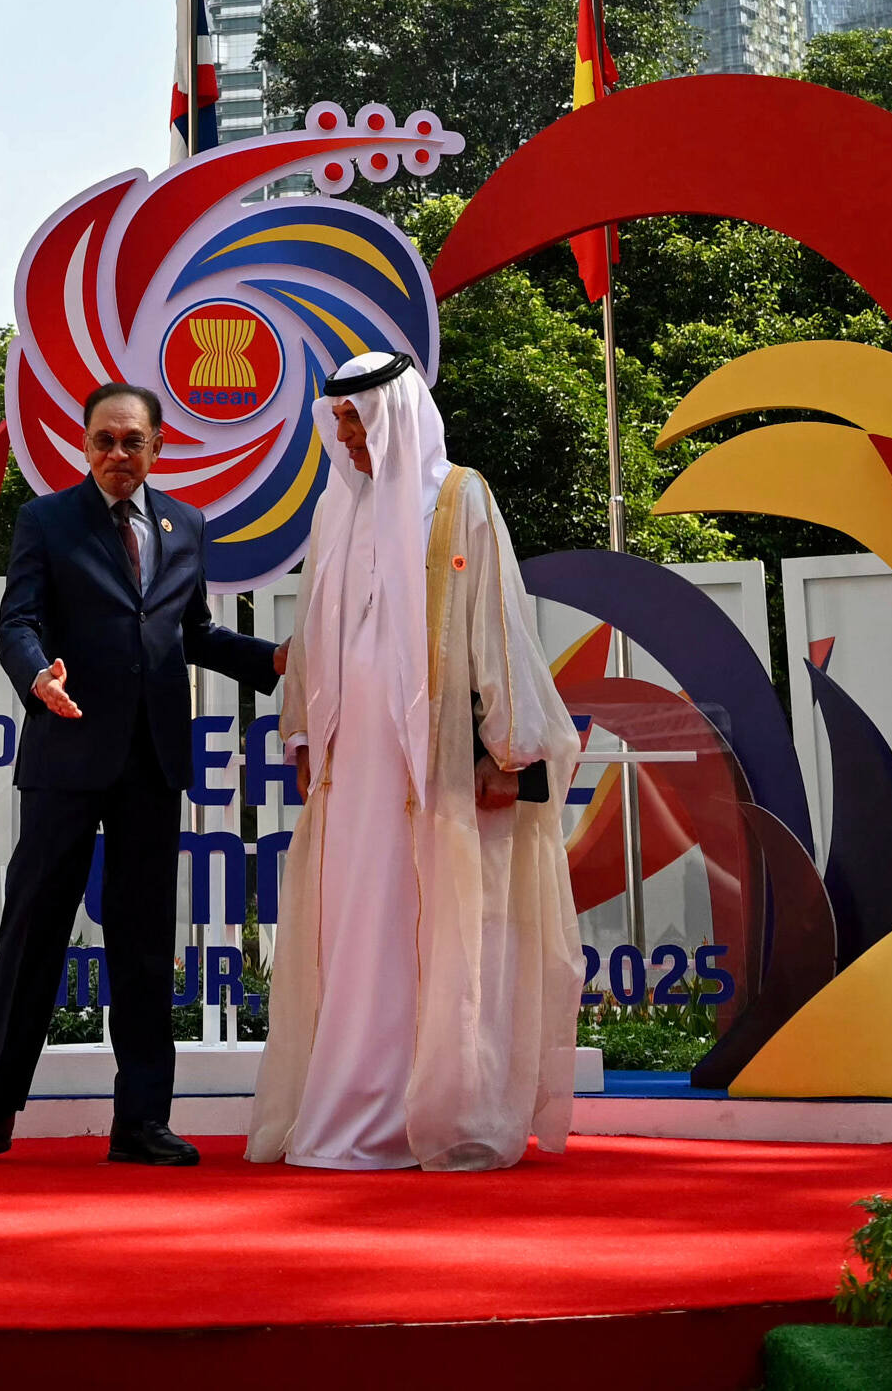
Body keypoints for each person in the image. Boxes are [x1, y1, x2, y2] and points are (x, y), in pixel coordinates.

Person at [0, 378, 284, 1165]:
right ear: (84, 444)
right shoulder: (47, 519)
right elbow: (18, 621)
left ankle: (141, 1121)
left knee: (143, 941)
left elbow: (193, 632)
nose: (118, 453)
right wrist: (38, 676)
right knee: (33, 933)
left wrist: (273, 659)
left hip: (151, 761)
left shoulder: (185, 525)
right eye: (104, 439)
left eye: (132, 440)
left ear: (158, 446)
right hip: (64, 751)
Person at [243, 349, 573, 1172]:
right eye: (339, 421)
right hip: (348, 766)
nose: (347, 436)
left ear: (394, 415)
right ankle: (351, 1097)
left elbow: (499, 625)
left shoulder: (459, 497)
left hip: (432, 761)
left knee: (435, 921)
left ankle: (431, 1105)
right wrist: (299, 732)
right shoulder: (335, 508)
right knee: (354, 922)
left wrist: (507, 750)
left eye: (358, 419)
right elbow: (313, 628)